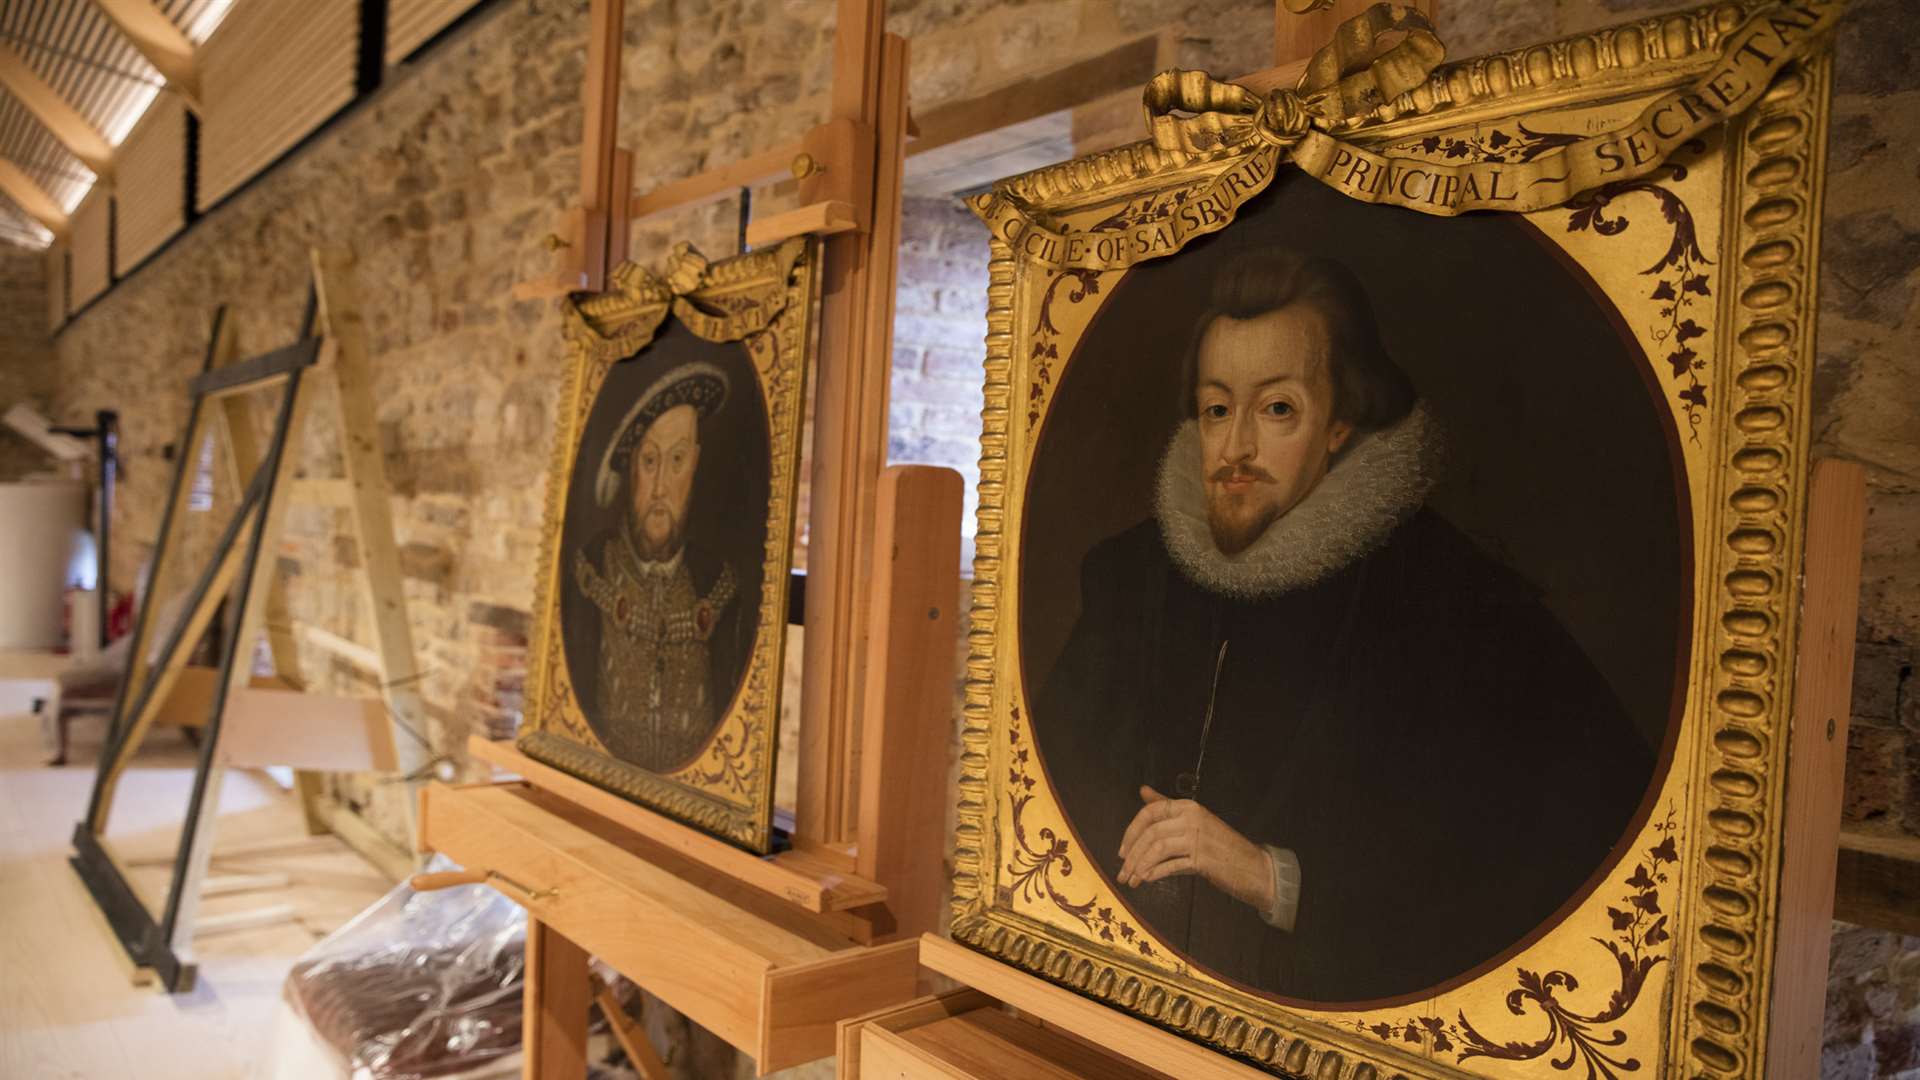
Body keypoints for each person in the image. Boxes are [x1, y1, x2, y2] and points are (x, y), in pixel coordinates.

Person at [1034, 250, 1655, 1002]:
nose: (1236, 449)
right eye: (1217, 409)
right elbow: (1052, 784)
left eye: (1278, 409)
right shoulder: (1127, 575)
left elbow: (1546, 859)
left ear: (1339, 424)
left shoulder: (1453, 602)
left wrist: (1272, 877)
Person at [573, 361, 748, 771]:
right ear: (628, 465)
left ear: (696, 463)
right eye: (649, 461)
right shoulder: (593, 570)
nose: (660, 488)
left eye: (677, 460)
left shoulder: (718, 584)